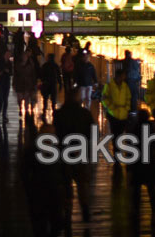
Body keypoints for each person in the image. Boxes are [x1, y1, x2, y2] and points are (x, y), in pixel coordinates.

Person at [54, 89, 95, 222]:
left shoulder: (59, 114)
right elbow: (92, 132)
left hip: (64, 152)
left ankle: (67, 210)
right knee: (83, 182)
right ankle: (85, 207)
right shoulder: (85, 113)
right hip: (81, 151)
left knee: (66, 182)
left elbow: (56, 133)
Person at [102, 67, 131, 138]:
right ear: (119, 76)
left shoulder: (125, 86)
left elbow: (128, 97)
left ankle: (117, 147)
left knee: (120, 134)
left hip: (123, 114)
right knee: (115, 133)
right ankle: (116, 147)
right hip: (113, 114)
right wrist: (111, 107)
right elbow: (104, 98)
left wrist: (127, 108)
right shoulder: (109, 85)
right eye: (123, 75)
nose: (124, 77)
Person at [15, 49, 38, 118]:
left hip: (27, 84)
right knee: (20, 99)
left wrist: (34, 83)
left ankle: (26, 111)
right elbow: (16, 75)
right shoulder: (18, 65)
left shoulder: (30, 65)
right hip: (20, 84)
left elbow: (33, 75)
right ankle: (20, 109)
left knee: (26, 98)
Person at [39, 53, 62, 121]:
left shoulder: (45, 65)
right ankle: (54, 111)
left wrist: (42, 81)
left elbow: (41, 75)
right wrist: (60, 84)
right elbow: (58, 75)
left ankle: (44, 112)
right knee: (53, 99)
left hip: (46, 84)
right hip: (53, 84)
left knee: (45, 99)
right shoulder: (56, 66)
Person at [0, 51, 13, 122]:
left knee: (5, 99)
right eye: (7, 55)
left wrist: (8, 72)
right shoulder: (0, 61)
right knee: (1, 99)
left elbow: (11, 72)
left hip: (6, 83)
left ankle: (4, 114)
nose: (8, 56)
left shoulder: (9, 63)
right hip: (0, 82)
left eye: (9, 55)